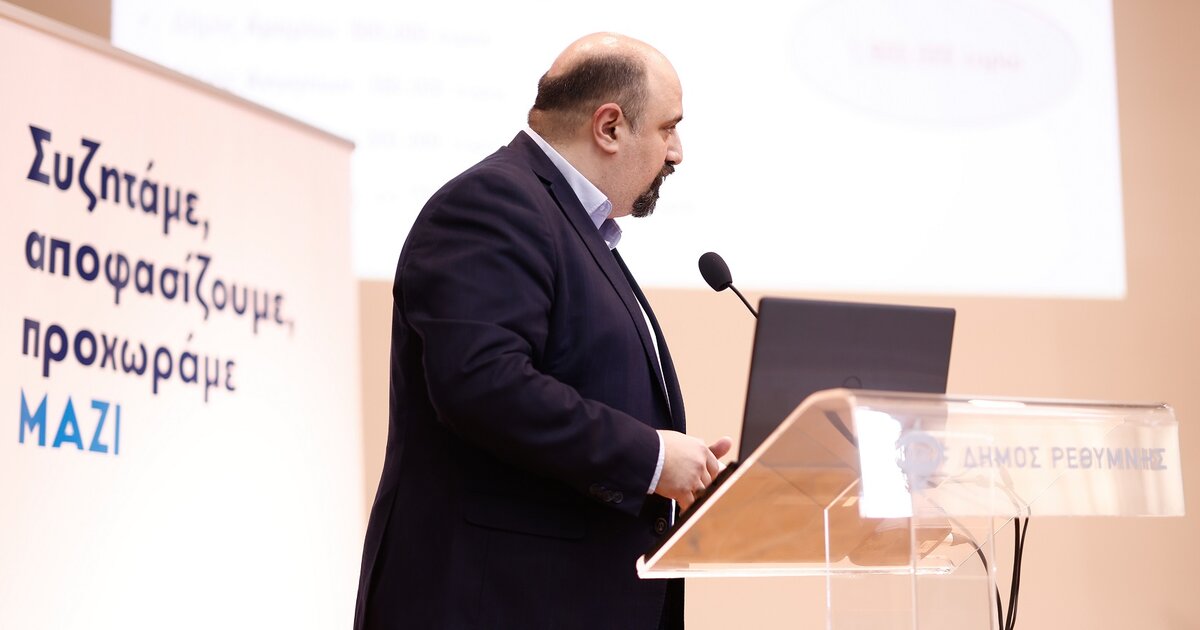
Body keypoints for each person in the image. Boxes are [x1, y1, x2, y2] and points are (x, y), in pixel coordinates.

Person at [354, 32, 731, 630]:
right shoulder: (494, 202)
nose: (677, 152)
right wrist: (653, 458)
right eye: (668, 128)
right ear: (609, 127)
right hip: (494, 605)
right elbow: (484, 384)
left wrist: (675, 468)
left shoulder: (568, 224)